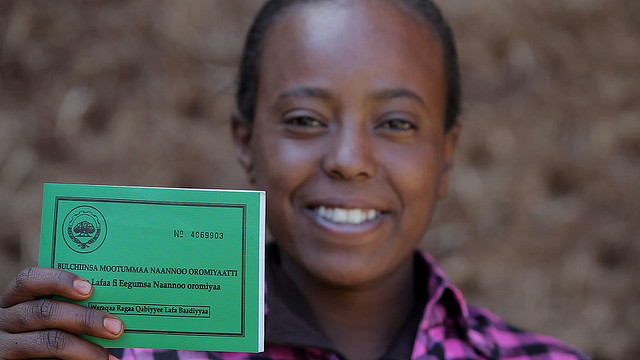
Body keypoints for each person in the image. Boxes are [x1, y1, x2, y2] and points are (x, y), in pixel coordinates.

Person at [0, 0, 590, 359]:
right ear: (244, 142)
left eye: (397, 122)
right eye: (305, 120)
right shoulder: (121, 354)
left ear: (446, 153)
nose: (349, 159)